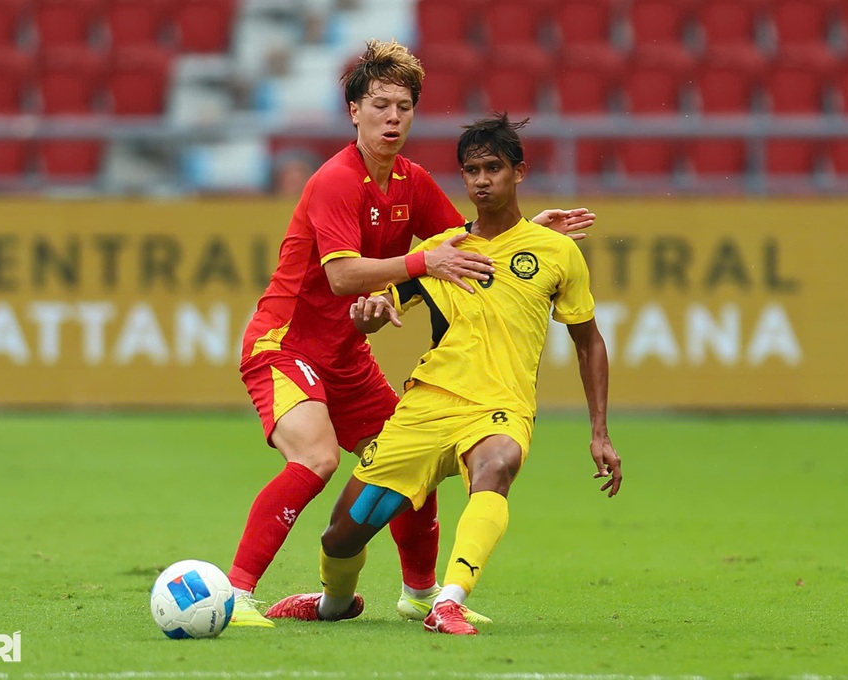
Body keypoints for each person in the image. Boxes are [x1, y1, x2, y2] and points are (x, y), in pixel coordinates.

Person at [230, 39, 597, 628]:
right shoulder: (335, 181)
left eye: (403, 106)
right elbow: (344, 276)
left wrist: (530, 230)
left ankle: (420, 594)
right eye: (379, 105)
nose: (392, 117)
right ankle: (236, 594)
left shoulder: (412, 182)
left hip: (348, 354)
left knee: (411, 463)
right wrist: (420, 265)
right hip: (285, 343)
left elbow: (473, 245)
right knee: (319, 457)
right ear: (354, 111)